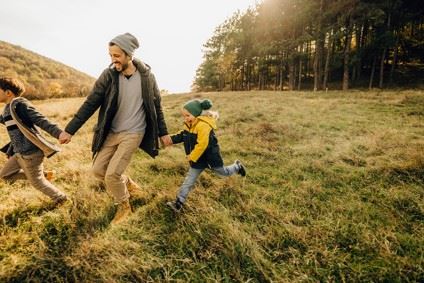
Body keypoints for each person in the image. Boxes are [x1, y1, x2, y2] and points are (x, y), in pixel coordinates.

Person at [59, 33, 171, 224]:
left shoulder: (147, 77)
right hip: (111, 132)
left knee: (112, 175)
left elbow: (156, 105)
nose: (113, 60)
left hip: (134, 132)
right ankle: (127, 184)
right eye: (110, 55)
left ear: (129, 55)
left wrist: (163, 132)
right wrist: (70, 130)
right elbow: (90, 103)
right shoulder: (109, 75)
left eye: (117, 56)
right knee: (98, 171)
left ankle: (124, 206)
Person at [166, 98, 246, 213]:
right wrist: (170, 139)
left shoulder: (203, 125)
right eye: (184, 116)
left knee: (223, 172)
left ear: (196, 114)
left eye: (188, 115)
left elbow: (202, 144)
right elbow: (183, 135)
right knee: (189, 181)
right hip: (198, 161)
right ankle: (178, 203)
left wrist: (192, 156)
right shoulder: (189, 125)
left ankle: (237, 166)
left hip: (210, 157)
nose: (185, 118)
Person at [0, 77, 69, 205]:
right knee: (5, 175)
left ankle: (61, 198)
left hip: (31, 153)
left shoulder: (20, 105)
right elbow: (9, 125)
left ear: (8, 92)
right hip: (18, 153)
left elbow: (41, 120)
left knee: (37, 182)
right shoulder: (6, 109)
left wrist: (59, 133)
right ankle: (43, 174)